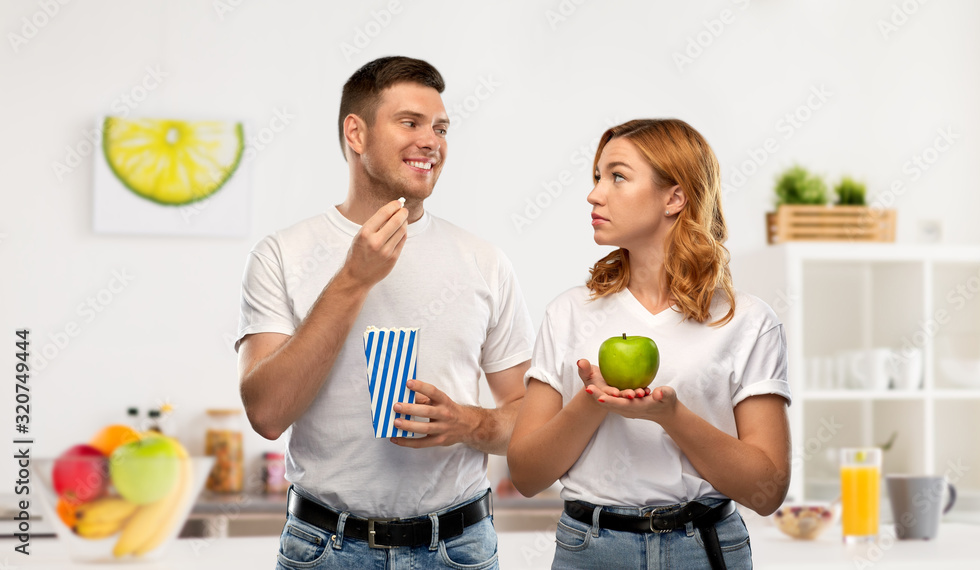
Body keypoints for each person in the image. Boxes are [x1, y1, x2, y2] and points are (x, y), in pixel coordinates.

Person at [236, 56, 534, 570]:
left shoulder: (485, 261)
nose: (432, 142)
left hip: (458, 549)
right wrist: (354, 278)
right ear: (356, 133)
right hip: (324, 549)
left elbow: (533, 421)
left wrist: (467, 423)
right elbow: (266, 414)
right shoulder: (281, 253)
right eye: (410, 123)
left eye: (440, 128)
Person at [507, 119, 791, 570]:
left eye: (617, 177)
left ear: (674, 198)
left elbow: (769, 490)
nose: (595, 194)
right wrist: (594, 401)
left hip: (706, 548)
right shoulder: (567, 313)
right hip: (592, 550)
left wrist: (671, 416)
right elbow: (525, 475)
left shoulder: (748, 322)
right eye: (597, 177)